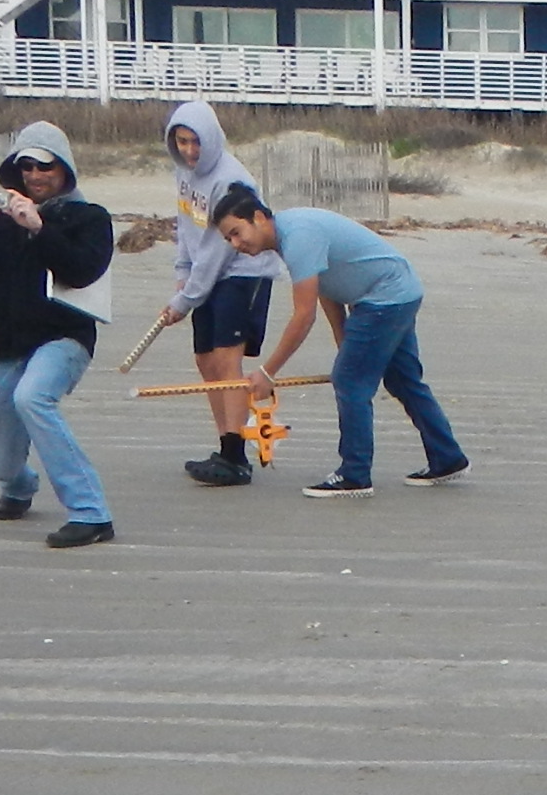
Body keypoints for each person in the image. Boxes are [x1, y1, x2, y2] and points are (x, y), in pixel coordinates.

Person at [210, 182, 469, 497]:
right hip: (398, 290)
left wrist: (267, 373)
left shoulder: (298, 236)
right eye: (228, 238)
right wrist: (343, 338)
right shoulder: (291, 234)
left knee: (349, 382)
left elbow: (303, 316)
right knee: (402, 380)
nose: (235, 243)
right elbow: (327, 287)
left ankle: (355, 474)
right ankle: (448, 457)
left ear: (259, 218)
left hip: (385, 297)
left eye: (237, 232)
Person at [0, 122, 117, 546]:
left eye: (45, 166)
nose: (36, 176)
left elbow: (82, 269)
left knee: (33, 398)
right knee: (1, 445)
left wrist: (40, 228)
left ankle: (91, 512)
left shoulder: (88, 217)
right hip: (6, 344)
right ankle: (19, 487)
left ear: (64, 169)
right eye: (27, 167)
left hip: (65, 337)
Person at [156, 98, 278, 485]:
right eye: (182, 142)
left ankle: (234, 455)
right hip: (206, 275)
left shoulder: (232, 178)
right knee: (205, 360)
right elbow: (187, 226)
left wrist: (187, 297)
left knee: (227, 361)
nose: (190, 151)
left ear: (211, 138)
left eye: (196, 142)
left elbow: (221, 246)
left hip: (243, 271)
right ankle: (225, 443)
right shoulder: (184, 173)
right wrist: (182, 273)